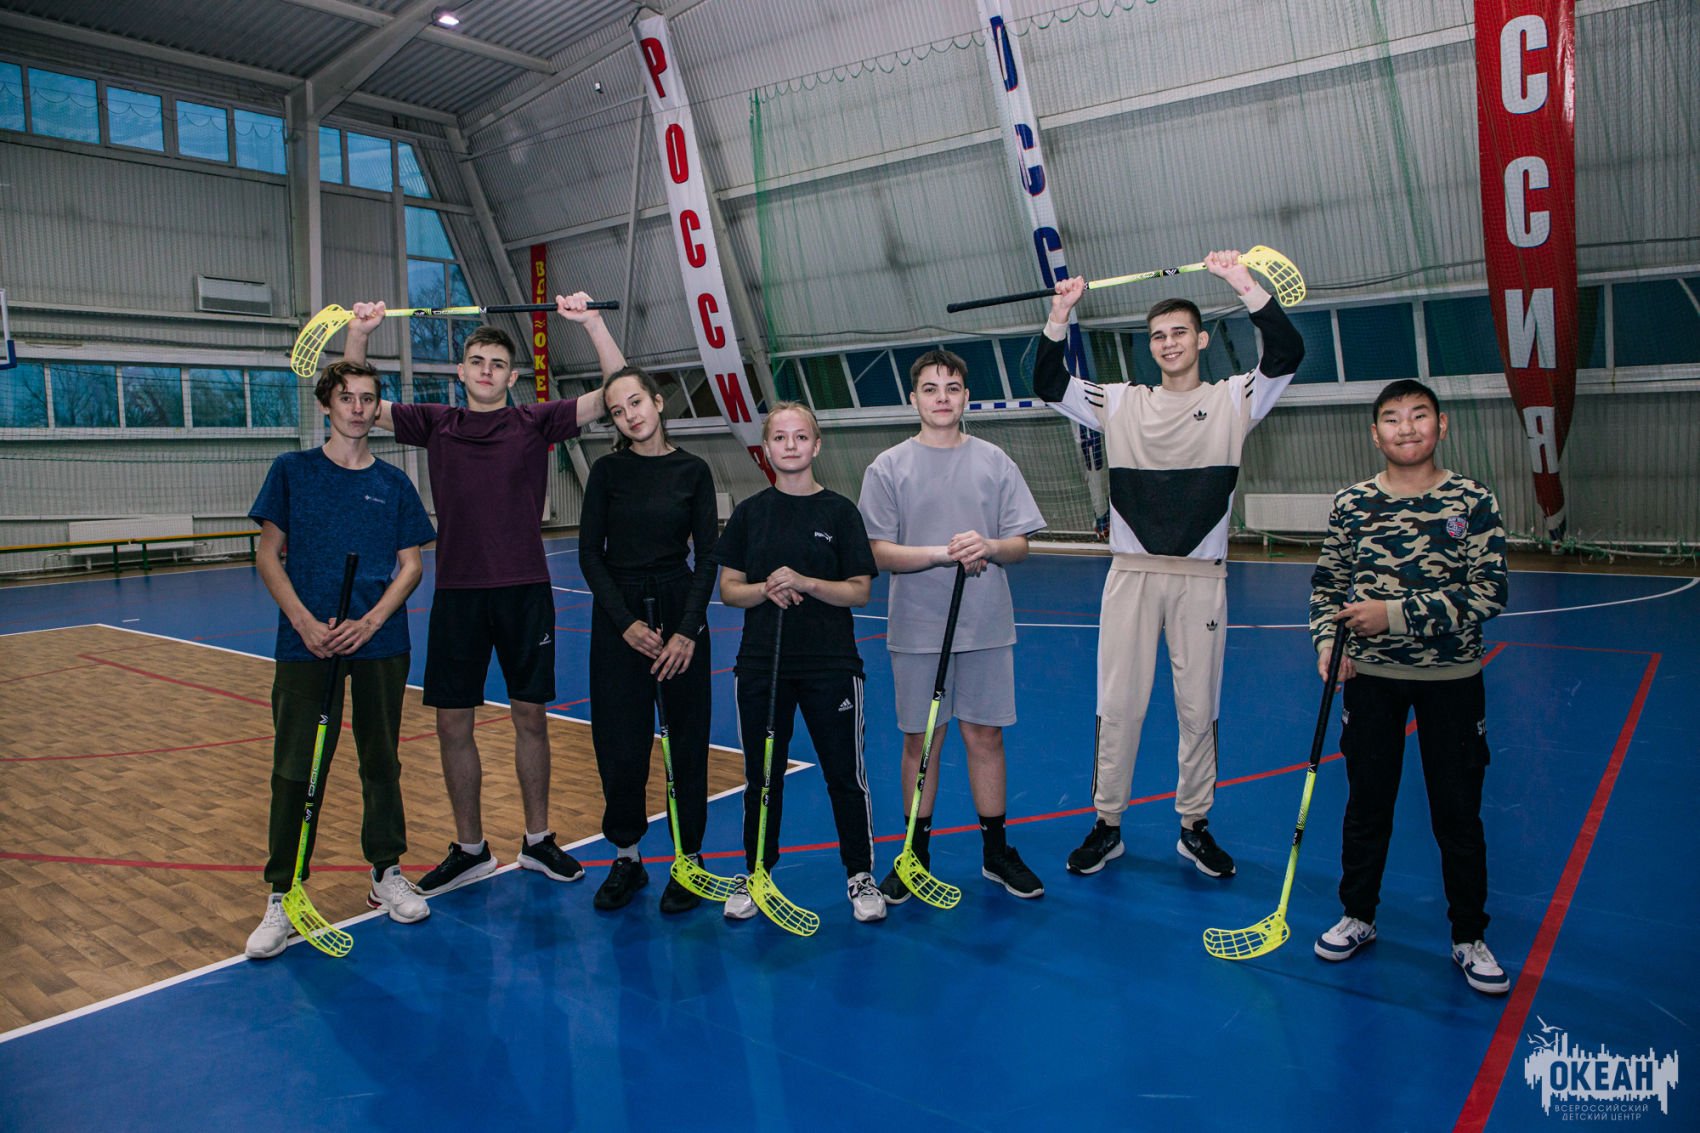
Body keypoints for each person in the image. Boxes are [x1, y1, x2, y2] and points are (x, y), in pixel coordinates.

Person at [342, 293, 623, 895]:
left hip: (524, 591)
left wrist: (593, 323)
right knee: (452, 725)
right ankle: (470, 850)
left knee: (531, 717)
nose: (487, 371)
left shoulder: (534, 422)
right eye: (477, 362)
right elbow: (357, 398)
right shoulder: (436, 423)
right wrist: (360, 333)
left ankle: (538, 841)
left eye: (497, 364)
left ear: (512, 376)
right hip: (459, 594)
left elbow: (616, 394)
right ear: (462, 372)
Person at [1040, 252, 1304, 880]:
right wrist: (1059, 313)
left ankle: (1194, 826)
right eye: (1158, 336)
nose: (1168, 343)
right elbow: (1048, 382)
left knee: (1197, 708)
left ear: (1201, 339)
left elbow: (1287, 352)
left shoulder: (1235, 397)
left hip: (1200, 580)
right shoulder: (1119, 402)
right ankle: (1107, 824)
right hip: (1131, 575)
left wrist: (1241, 283)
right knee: (1118, 704)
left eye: (1180, 332)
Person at [1309, 378, 1510, 995]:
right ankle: (1358, 915)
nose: (1406, 428)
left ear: (1441, 426)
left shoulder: (1472, 500)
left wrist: (1391, 615)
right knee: (1366, 805)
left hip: (1452, 680)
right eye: (1393, 419)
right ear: (1376, 434)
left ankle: (1469, 935)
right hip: (1372, 681)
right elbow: (1327, 584)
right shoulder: (1352, 503)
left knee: (1458, 812)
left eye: (1419, 416)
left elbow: (1489, 593)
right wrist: (1326, 641)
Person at [245, 360, 438, 959]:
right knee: (295, 768)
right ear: (326, 405)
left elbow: (411, 565)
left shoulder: (394, 483)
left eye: (368, 398)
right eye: (347, 397)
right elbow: (268, 555)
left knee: (381, 760)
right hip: (306, 644)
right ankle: (284, 894)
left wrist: (371, 621)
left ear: (378, 408)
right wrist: (305, 622)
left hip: (379, 642)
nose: (358, 408)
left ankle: (386, 872)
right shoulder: (292, 471)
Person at [858, 351, 1047, 902]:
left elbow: (1019, 544)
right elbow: (877, 552)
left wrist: (988, 546)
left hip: (985, 624)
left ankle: (996, 852)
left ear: (966, 397)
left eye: (953, 387)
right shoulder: (887, 467)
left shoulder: (995, 461)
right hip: (918, 627)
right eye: (930, 388)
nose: (942, 397)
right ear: (913, 398)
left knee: (985, 736)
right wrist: (941, 554)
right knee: (922, 741)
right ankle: (914, 856)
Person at [716, 403, 885, 923]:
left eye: (800, 436)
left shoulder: (840, 512)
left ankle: (860, 875)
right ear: (766, 448)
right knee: (762, 778)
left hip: (831, 665)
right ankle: (757, 871)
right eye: (780, 438)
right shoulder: (750, 513)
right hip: (761, 666)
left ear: (817, 444)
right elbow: (729, 590)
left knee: (845, 776)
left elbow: (859, 590)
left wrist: (808, 583)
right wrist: (765, 589)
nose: (790, 446)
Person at [577, 365, 719, 914]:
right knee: (620, 742)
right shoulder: (607, 472)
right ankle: (627, 858)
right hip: (620, 614)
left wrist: (687, 629)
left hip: (678, 604)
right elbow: (590, 554)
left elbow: (708, 557)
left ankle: (689, 860)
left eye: (635, 402)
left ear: (658, 403)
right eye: (617, 411)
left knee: (686, 740)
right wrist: (624, 623)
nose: (629, 416)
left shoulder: (694, 470)